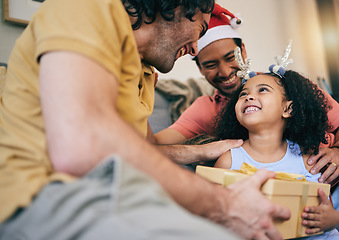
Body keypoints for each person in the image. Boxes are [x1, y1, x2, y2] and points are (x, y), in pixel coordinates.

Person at [0, 1, 292, 239]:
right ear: (179, 6)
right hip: (43, 195)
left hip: (117, 195)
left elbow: (141, 152)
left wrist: (200, 150)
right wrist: (222, 205)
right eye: (199, 29)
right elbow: (82, 147)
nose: (194, 48)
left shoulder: (145, 72)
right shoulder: (88, 7)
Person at [153, 4, 339, 186]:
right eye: (210, 65)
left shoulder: (292, 89)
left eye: (230, 57)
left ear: (243, 50)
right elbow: (150, 147)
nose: (225, 72)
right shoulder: (205, 109)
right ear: (200, 69)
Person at [213, 50, 339, 239]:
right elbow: (213, 215)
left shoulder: (308, 159)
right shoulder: (229, 161)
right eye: (243, 94)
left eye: (262, 90)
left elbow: (325, 207)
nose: (248, 97)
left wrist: (333, 219)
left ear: (288, 108)